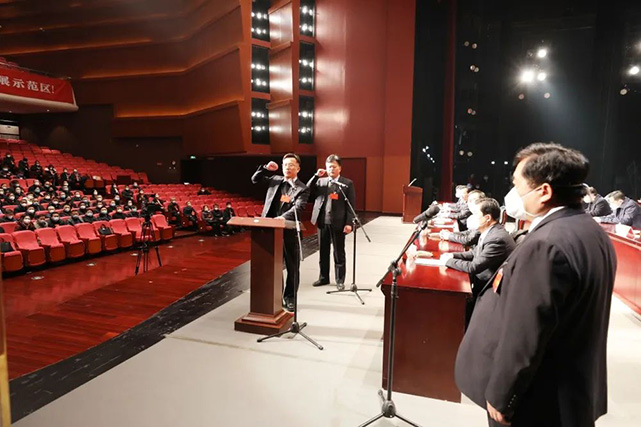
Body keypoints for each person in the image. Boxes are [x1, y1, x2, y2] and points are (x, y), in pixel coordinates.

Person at [455, 143, 617, 427]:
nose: (514, 193)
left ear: (544, 191)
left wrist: (503, 394)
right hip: (572, 388)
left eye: (517, 185)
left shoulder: (546, 244)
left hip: (538, 398)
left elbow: (526, 330)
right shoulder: (590, 230)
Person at [440, 197, 515, 325]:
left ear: (487, 218)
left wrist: (448, 262)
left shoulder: (497, 238)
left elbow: (474, 267)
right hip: (481, 280)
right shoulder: (489, 231)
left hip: (490, 288)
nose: (472, 217)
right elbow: (474, 253)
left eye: (475, 214)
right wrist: (452, 255)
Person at [252, 153, 309, 312]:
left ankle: (290, 297)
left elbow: (299, 208)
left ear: (298, 168)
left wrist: (281, 218)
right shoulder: (275, 180)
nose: (287, 168)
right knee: (273, 266)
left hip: (289, 231)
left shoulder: (302, 188)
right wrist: (265, 168)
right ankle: (276, 296)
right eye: (285, 165)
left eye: (291, 165)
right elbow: (255, 179)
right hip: (270, 231)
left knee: (292, 267)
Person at [306, 154, 355, 290]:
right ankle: (323, 278)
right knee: (323, 251)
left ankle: (340, 280)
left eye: (333, 167)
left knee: (339, 253)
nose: (331, 169)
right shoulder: (320, 181)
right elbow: (307, 190)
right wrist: (315, 176)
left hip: (339, 222)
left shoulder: (347, 183)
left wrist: (349, 223)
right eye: (328, 167)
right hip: (323, 221)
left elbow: (351, 206)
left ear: (340, 168)